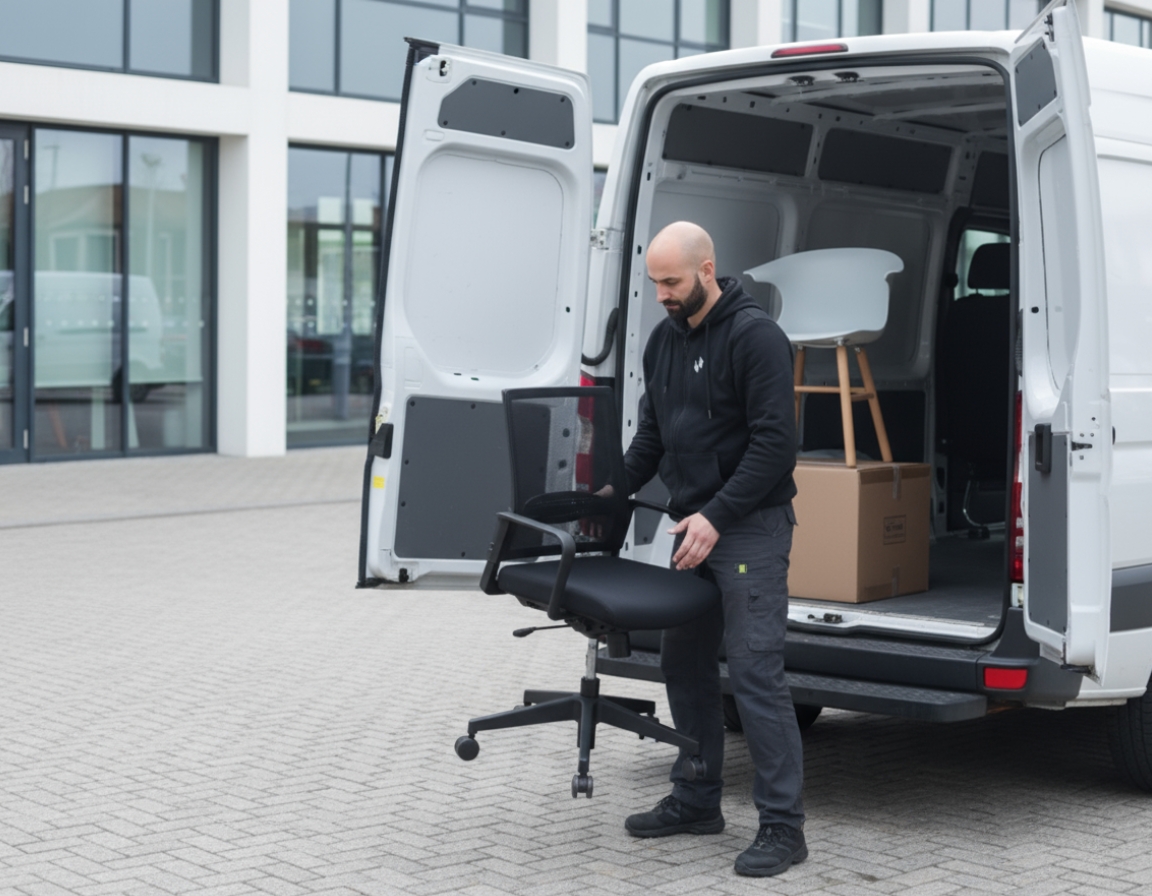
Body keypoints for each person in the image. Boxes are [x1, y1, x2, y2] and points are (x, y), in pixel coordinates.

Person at [621, 221, 806, 878]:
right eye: (655, 283)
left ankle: (783, 827)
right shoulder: (664, 340)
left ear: (707, 270)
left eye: (671, 282)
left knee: (755, 674)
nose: (662, 295)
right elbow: (652, 439)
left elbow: (776, 446)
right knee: (684, 661)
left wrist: (716, 516)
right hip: (691, 528)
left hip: (749, 527)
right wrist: (603, 495)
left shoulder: (756, 338)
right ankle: (697, 799)